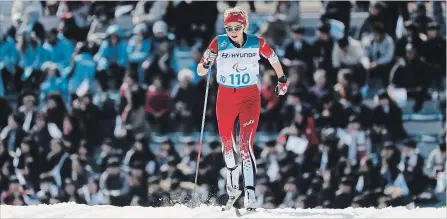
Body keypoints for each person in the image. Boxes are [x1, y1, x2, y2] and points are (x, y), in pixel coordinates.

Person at [196, 7, 288, 211]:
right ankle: (232, 185)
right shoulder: (218, 42)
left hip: (249, 97)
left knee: (245, 145)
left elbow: (273, 59)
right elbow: (200, 71)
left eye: (237, 27)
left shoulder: (257, 42)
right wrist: (206, 62)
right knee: (228, 146)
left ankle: (250, 194)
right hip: (226, 97)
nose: (232, 31)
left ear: (244, 25)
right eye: (228, 28)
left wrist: (282, 80)